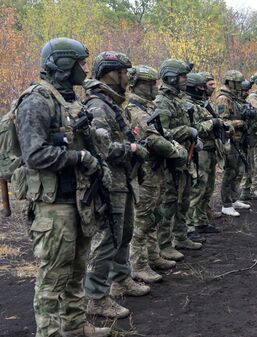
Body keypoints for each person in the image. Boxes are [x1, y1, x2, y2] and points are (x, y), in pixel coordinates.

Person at [16, 37, 111, 337]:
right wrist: (78, 156)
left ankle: (74, 326)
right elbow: (34, 155)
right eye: (81, 63)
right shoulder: (36, 101)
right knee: (53, 277)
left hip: (78, 200)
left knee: (77, 270)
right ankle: (49, 332)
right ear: (64, 64)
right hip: (53, 206)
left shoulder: (70, 100)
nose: (85, 68)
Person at [84, 51, 151, 319]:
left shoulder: (111, 104)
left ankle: (121, 279)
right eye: (124, 72)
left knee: (124, 233)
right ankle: (97, 298)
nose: (128, 77)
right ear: (113, 73)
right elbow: (101, 148)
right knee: (107, 239)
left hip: (123, 180)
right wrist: (132, 147)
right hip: (109, 183)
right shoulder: (98, 107)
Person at [127, 65, 188, 283]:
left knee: (154, 215)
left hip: (156, 170)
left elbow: (160, 133)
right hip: (146, 172)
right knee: (142, 219)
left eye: (155, 82)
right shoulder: (135, 110)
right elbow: (152, 139)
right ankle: (138, 264)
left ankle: (153, 256)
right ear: (137, 85)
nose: (154, 87)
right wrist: (175, 150)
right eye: (149, 83)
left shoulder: (148, 106)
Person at [155, 59, 204, 257]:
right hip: (170, 161)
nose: (185, 79)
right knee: (169, 202)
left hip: (185, 158)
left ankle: (181, 236)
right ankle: (164, 245)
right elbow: (161, 133)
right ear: (171, 77)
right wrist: (186, 130)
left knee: (183, 200)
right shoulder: (162, 101)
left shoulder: (179, 99)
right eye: (182, 76)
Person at [184, 72, 224, 231]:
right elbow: (195, 128)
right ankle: (190, 224)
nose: (204, 90)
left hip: (210, 149)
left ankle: (200, 219)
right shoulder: (188, 104)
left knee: (207, 187)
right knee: (198, 188)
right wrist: (213, 122)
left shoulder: (202, 103)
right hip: (199, 151)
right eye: (200, 87)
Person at [216, 70, 252, 216]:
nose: (239, 85)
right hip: (230, 140)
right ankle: (226, 203)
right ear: (230, 82)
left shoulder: (235, 97)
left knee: (238, 171)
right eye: (237, 83)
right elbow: (222, 121)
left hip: (239, 139)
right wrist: (240, 122)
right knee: (230, 171)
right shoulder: (224, 98)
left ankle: (234, 198)